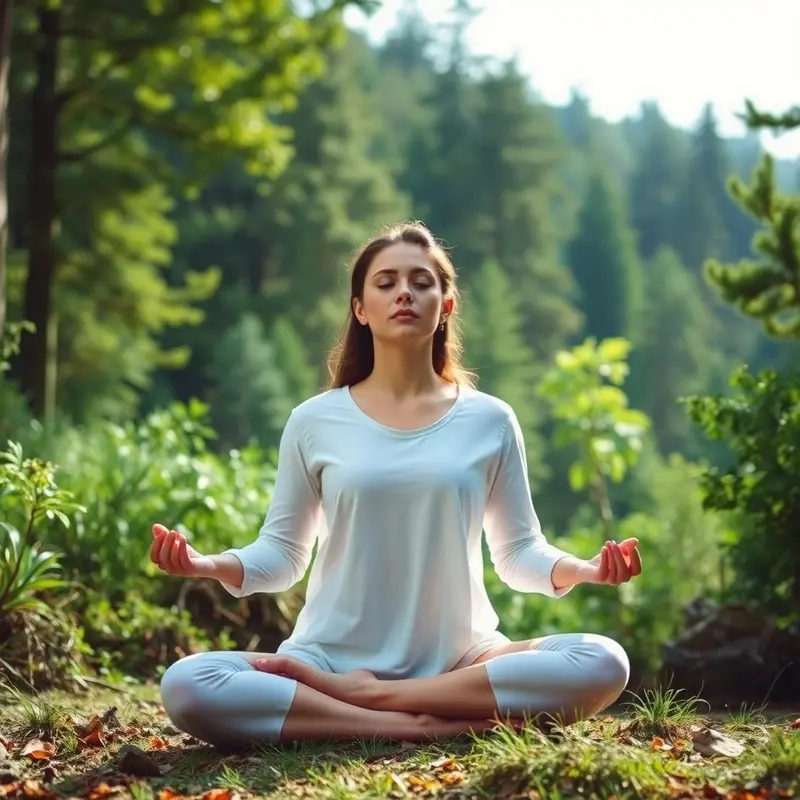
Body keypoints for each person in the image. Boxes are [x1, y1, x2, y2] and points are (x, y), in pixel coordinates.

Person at [151, 221, 642, 749]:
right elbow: (283, 553)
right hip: (326, 659)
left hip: (461, 659)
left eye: (421, 281)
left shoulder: (491, 420)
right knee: (189, 684)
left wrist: (585, 569)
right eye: (385, 283)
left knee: (602, 661)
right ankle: (416, 723)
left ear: (446, 305)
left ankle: (373, 701)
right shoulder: (314, 420)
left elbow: (519, 551)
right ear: (360, 308)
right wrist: (205, 564)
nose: (404, 292)